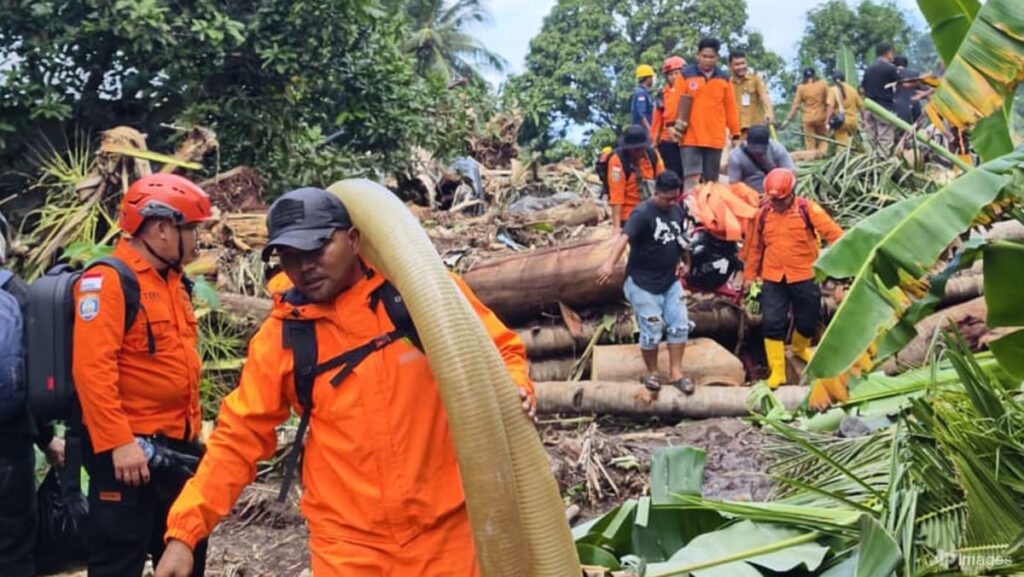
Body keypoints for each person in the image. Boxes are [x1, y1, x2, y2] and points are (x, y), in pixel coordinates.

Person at [155, 187, 535, 577]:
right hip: (348, 544)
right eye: (290, 255)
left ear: (353, 240)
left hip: (448, 530)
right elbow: (238, 439)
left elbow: (500, 349)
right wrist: (186, 533)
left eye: (317, 249)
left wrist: (514, 386)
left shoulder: (419, 296)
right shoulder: (282, 338)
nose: (305, 267)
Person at [72, 173, 213, 576]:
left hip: (178, 450)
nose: (197, 241)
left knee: (186, 558)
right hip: (128, 458)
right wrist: (119, 443)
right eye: (192, 230)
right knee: (119, 563)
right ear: (162, 228)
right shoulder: (109, 281)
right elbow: (91, 370)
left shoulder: (174, 282)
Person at [0, 210, 65, 577]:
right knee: (12, 549)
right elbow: (36, 379)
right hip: (9, 445)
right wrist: (48, 439)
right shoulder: (18, 294)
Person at [742, 169, 843, 389]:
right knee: (772, 323)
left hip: (804, 274)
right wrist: (749, 276)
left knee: (807, 319)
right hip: (773, 276)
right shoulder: (764, 214)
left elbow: (835, 235)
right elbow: (756, 247)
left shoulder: (809, 209)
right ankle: (777, 371)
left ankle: (799, 348)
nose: (776, 204)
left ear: (791, 194)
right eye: (773, 199)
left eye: (780, 200)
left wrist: (842, 270)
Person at [597, 171, 692, 394]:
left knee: (679, 324)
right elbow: (624, 238)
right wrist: (609, 264)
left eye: (674, 198)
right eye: (666, 198)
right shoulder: (642, 213)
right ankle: (652, 372)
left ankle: (676, 373)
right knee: (652, 326)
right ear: (656, 192)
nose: (670, 203)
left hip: (670, 280)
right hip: (642, 283)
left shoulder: (677, 211)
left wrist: (686, 261)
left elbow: (681, 239)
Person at [673, 37, 741, 191]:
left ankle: (710, 214)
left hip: (714, 137)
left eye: (711, 57)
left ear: (717, 57)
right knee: (691, 180)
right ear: (698, 55)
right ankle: (690, 213)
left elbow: (731, 108)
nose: (708, 60)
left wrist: (736, 134)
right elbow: (675, 103)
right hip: (690, 136)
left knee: (712, 182)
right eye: (704, 56)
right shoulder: (685, 75)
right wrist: (672, 126)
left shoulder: (724, 79)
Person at [608, 125, 666, 234]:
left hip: (652, 210)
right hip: (629, 215)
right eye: (635, 149)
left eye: (641, 148)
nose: (639, 152)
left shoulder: (653, 155)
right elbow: (616, 196)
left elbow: (663, 181)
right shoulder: (617, 161)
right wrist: (616, 227)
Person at [728, 124, 795, 194]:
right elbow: (734, 185)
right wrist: (751, 195)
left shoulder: (777, 149)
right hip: (750, 194)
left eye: (760, 151)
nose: (757, 153)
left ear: (768, 143)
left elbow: (790, 174)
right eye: (753, 150)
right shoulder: (736, 156)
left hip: (776, 192)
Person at [650, 56, 686, 177]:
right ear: (666, 76)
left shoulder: (691, 91)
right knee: (673, 173)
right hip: (668, 141)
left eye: (678, 73)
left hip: (688, 139)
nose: (675, 77)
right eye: (671, 74)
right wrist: (654, 142)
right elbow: (657, 121)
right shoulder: (663, 94)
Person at [782, 67, 829, 154]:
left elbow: (796, 105)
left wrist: (788, 120)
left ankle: (811, 159)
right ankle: (823, 154)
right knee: (823, 138)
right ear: (814, 74)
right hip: (821, 117)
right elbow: (828, 100)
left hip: (808, 119)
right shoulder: (822, 84)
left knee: (810, 142)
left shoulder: (801, 88)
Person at [862, 42, 900, 150]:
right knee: (885, 139)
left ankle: (869, 162)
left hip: (869, 109)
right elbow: (901, 84)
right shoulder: (890, 68)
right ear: (888, 53)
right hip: (884, 108)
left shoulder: (868, 69)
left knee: (870, 140)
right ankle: (883, 164)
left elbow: (862, 89)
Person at [729, 50, 774, 136]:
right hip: (737, 131)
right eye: (737, 64)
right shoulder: (727, 84)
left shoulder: (756, 79)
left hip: (756, 129)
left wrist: (769, 112)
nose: (741, 66)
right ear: (730, 66)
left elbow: (764, 96)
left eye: (743, 63)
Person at [825, 72, 865, 146]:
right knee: (854, 146)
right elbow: (861, 107)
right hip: (853, 122)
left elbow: (830, 107)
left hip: (841, 123)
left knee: (842, 147)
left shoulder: (833, 90)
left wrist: (827, 121)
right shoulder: (853, 90)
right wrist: (863, 120)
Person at [631, 64, 656, 133]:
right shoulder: (641, 94)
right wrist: (650, 131)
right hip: (642, 133)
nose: (653, 80)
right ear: (647, 79)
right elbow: (641, 115)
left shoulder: (647, 93)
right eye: (651, 77)